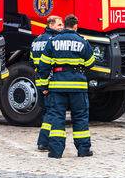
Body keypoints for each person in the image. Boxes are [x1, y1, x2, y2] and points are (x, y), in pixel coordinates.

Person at [39, 14, 95, 159]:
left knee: (57, 117)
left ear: (64, 25)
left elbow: (44, 66)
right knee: (80, 117)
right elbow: (90, 63)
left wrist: (44, 85)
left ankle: (56, 152)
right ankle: (83, 150)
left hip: (58, 86)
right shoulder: (83, 41)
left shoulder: (53, 41)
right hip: (78, 86)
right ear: (76, 26)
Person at [29, 15, 64, 151]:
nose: (61, 27)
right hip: (50, 80)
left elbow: (32, 61)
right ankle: (43, 141)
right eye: (59, 25)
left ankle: (46, 140)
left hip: (39, 80)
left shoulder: (36, 40)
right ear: (51, 25)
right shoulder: (54, 41)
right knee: (52, 112)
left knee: (47, 111)